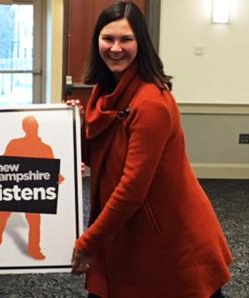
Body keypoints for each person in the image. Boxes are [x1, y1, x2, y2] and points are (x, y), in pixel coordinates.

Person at [70, 2, 232, 298]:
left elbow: (132, 188)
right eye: (108, 38)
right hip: (129, 231)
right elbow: (96, 156)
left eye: (126, 39)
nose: (115, 48)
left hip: (171, 238)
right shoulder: (103, 93)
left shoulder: (151, 102)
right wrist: (69, 125)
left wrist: (87, 243)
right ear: (97, 43)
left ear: (141, 44)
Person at [0, 115, 64, 264]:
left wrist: (58, 177)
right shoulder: (14, 144)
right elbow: (3, 164)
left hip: (32, 190)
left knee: (35, 220)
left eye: (33, 126)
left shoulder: (45, 148)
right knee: (2, 215)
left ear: (37, 127)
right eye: (28, 126)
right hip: (13, 188)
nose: (31, 129)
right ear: (24, 128)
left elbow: (51, 170)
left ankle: (34, 249)